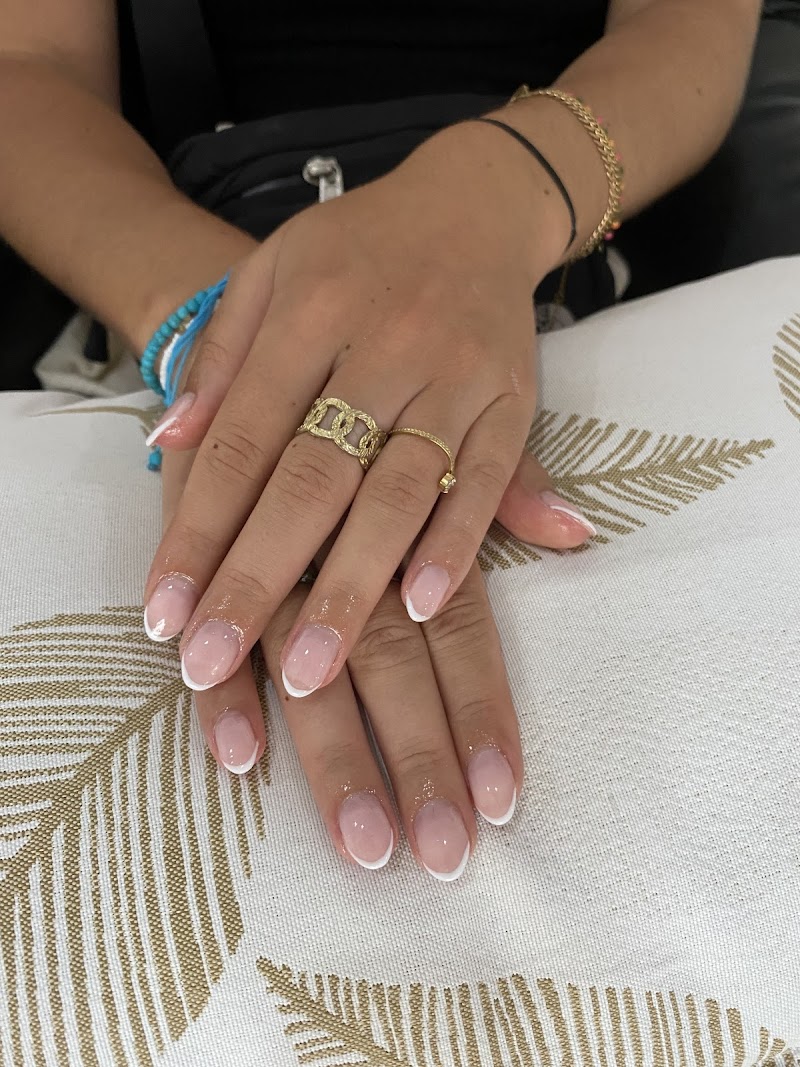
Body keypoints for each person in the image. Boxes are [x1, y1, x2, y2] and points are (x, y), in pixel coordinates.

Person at [0, 0, 761, 881]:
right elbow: (31, 67)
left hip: (555, 236)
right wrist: (239, 335)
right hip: (190, 261)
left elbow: (686, 29)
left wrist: (494, 198)